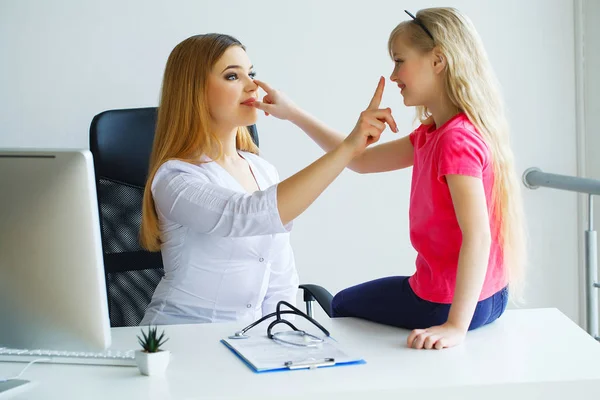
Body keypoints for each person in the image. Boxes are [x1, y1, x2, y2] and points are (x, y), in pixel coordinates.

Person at [251, 8, 526, 350]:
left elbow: (478, 235)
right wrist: (293, 113)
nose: (394, 75)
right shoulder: (435, 134)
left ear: (438, 60)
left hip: (449, 304)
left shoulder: (454, 139)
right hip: (492, 296)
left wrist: (455, 325)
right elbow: (361, 160)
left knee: (341, 305)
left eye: (399, 61)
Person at [138, 33, 393, 326]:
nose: (252, 86)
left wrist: (282, 337)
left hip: (248, 340)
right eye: (233, 76)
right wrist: (348, 148)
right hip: (180, 336)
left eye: (252, 73)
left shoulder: (263, 170)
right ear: (194, 91)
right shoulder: (174, 178)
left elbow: (280, 276)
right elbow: (245, 214)